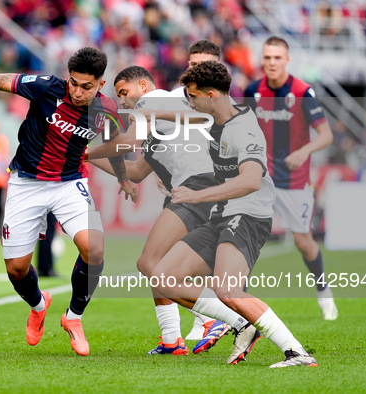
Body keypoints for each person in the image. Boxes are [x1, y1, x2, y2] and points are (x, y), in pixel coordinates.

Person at [0, 47, 137, 356]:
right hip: (26, 182)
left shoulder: (108, 109)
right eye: (73, 82)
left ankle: (73, 318)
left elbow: (114, 145)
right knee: (17, 270)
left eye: (86, 86)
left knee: (95, 248)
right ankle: (38, 304)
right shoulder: (46, 86)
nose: (76, 91)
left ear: (100, 85)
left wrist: (124, 178)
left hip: (69, 183)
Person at [88, 65, 261, 363]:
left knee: (150, 263)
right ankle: (172, 339)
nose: (124, 101)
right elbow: (137, 171)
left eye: (124, 93)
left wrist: (84, 151)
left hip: (199, 187)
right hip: (198, 189)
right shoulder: (161, 121)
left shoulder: (151, 101)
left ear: (143, 85)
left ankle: (230, 321)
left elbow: (128, 143)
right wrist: (93, 160)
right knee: (157, 266)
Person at [152, 61, 318, 368]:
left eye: (193, 96)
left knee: (227, 288)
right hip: (221, 215)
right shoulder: (213, 113)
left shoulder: (242, 129)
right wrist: (142, 112)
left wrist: (197, 195)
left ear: (211, 95)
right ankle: (242, 324)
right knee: (163, 278)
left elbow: (251, 180)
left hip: (248, 214)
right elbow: (183, 117)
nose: (190, 102)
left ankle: (297, 353)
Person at [244, 36, 337, 320]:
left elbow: (326, 135)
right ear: (262, 60)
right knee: (244, 235)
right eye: (267, 57)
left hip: (294, 181)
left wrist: (304, 151)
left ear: (287, 60)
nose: (271, 62)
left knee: (303, 241)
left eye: (277, 58)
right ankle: (238, 300)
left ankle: (323, 289)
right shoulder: (252, 90)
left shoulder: (302, 92)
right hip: (259, 178)